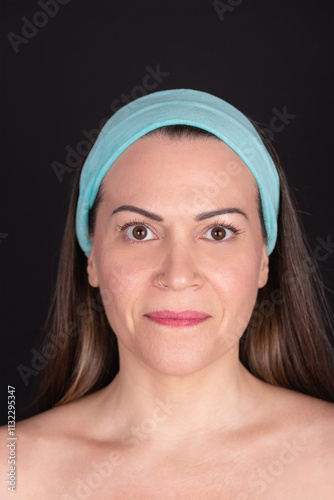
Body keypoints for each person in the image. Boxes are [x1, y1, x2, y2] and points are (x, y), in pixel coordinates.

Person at [1, 89, 334, 499]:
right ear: (91, 256)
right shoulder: (12, 470)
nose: (177, 276)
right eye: (139, 232)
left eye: (218, 232)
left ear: (265, 260)